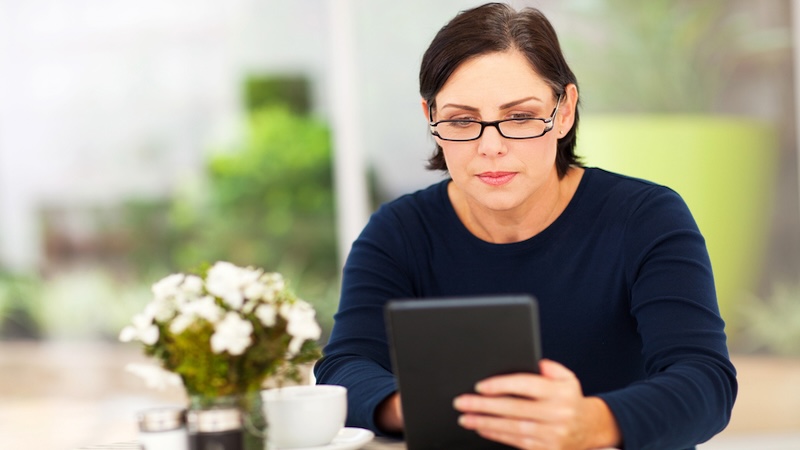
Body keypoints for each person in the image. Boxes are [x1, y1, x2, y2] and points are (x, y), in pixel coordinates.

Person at [314, 3, 737, 449]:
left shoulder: (646, 218)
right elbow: (344, 366)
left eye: (519, 117)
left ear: (565, 111)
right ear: (432, 121)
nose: (490, 146)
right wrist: (425, 407)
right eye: (462, 120)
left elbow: (705, 382)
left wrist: (589, 422)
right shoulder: (397, 232)